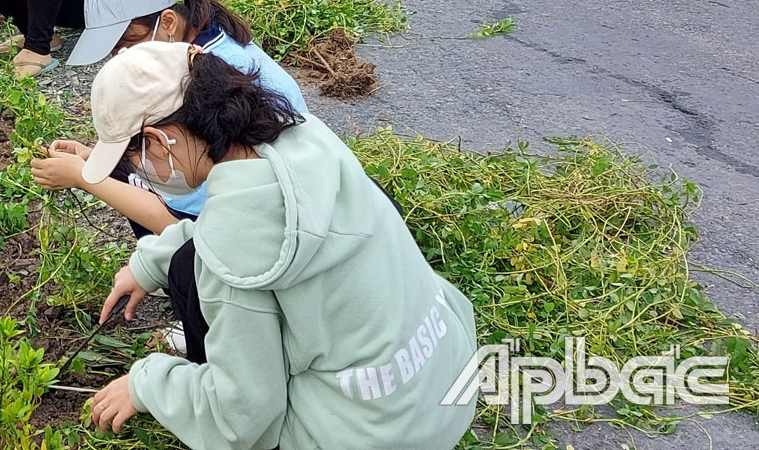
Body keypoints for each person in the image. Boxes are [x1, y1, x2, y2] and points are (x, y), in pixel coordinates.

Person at [78, 42, 479, 450]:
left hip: (369, 436)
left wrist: (147, 384)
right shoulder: (306, 140)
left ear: (160, 142)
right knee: (186, 261)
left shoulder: (231, 255)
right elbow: (250, 223)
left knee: (198, 283)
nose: (138, 170)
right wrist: (148, 263)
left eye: (133, 158)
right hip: (446, 384)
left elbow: (243, 419)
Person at [33, 0, 307, 237]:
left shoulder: (215, 81)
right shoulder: (198, 49)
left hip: (268, 225)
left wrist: (83, 177)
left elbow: (182, 226)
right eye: (114, 50)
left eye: (128, 42)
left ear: (167, 22)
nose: (123, 56)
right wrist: (95, 158)